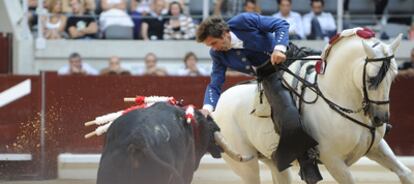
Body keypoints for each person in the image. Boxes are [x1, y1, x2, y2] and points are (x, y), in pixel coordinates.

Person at [195, 13, 321, 183]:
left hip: (290, 56)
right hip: (270, 75)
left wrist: (279, 48)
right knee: (286, 112)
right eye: (210, 45)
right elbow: (215, 83)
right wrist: (207, 108)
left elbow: (280, 24)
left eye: (214, 43)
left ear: (225, 34)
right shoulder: (218, 55)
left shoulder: (242, 21)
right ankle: (306, 160)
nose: (213, 48)